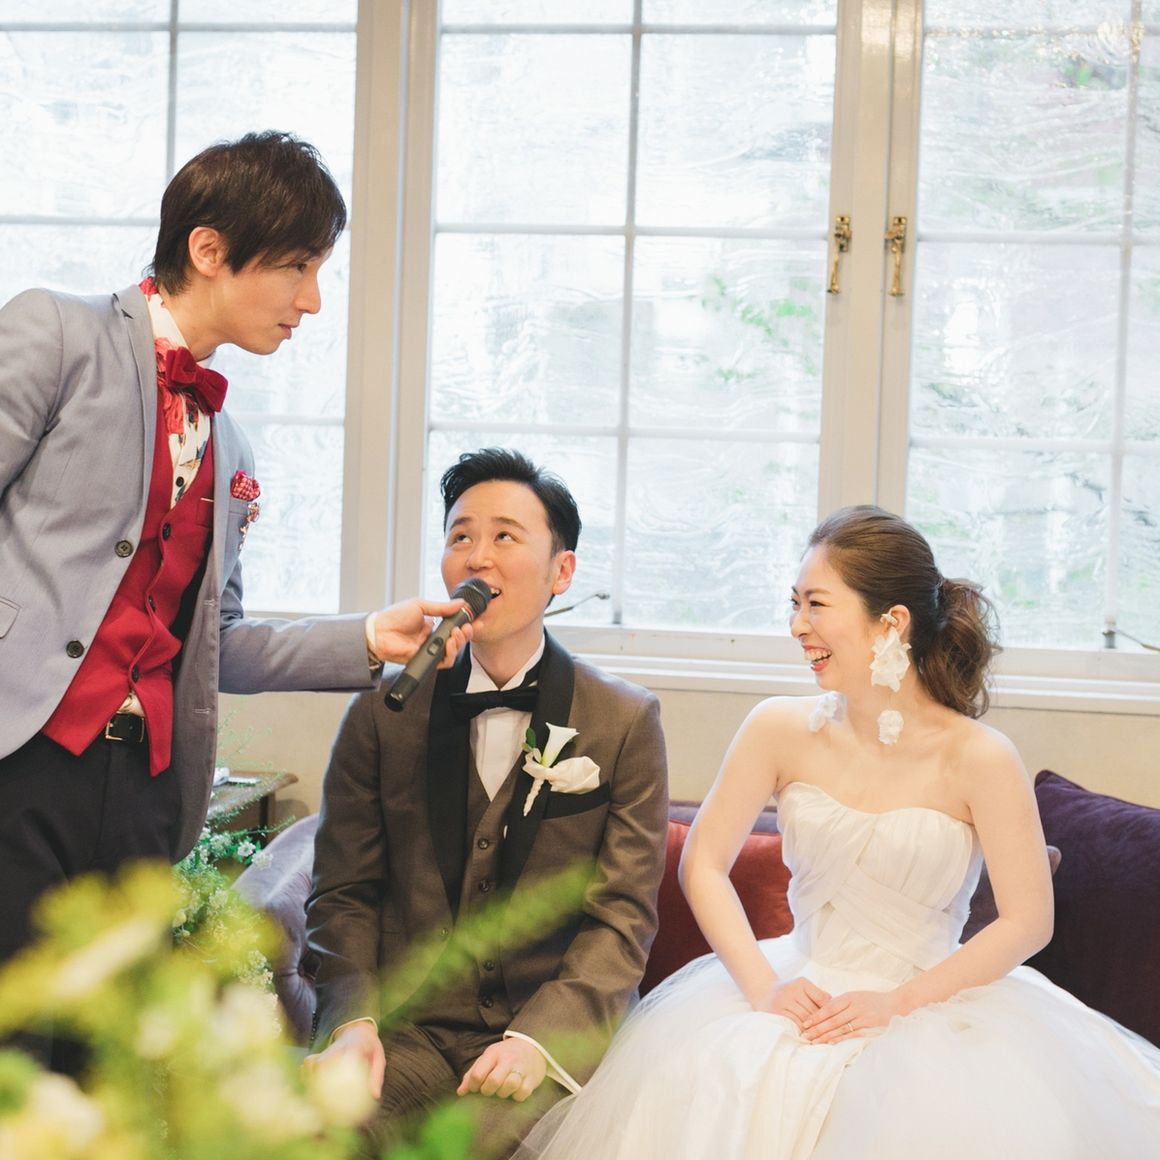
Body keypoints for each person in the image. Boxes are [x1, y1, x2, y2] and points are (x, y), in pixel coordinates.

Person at [516, 505, 1160, 1159]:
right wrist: (764, 988)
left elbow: (1028, 920)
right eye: (794, 604)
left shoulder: (982, 756)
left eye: (816, 604)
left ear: (892, 621)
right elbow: (701, 863)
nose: (798, 626)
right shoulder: (777, 727)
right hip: (794, 986)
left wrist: (900, 1004)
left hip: (935, 1006)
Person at [0, 131, 470, 978]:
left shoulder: (232, 447)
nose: (312, 301)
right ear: (209, 250)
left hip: (145, 792)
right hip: (17, 756)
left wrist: (369, 637)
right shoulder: (57, 335)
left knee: (112, 1046)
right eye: (297, 267)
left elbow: (218, 642)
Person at [303, 448, 669, 1159]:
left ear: (561, 571)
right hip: (404, 1032)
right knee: (314, 1128)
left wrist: (538, 1040)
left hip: (539, 1039)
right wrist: (352, 1024)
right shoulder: (383, 710)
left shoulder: (624, 720)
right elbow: (343, 892)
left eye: (505, 536)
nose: (478, 556)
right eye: (461, 536)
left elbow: (621, 917)